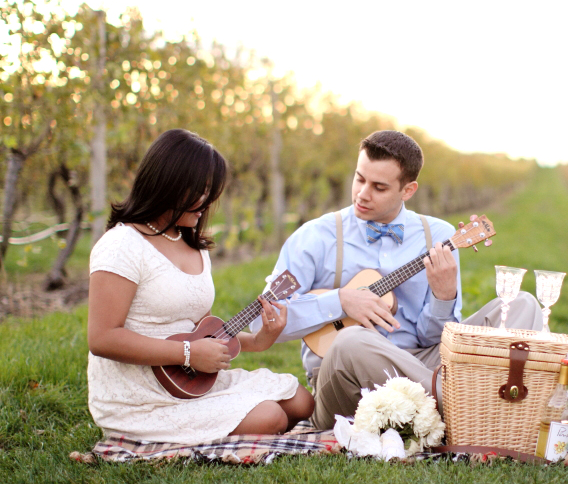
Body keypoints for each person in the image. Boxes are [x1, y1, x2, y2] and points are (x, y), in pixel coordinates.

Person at [251, 130, 543, 430]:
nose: (363, 194)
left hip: (423, 364)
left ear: (408, 190)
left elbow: (435, 341)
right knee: (350, 340)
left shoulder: (439, 237)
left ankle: (456, 407)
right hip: (346, 383)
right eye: (359, 178)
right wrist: (339, 301)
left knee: (523, 305)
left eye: (379, 187)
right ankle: (481, 411)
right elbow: (260, 324)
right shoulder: (314, 237)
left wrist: (444, 297)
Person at [87, 128, 313, 444]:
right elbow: (102, 338)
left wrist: (260, 340)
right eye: (198, 189)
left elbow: (202, 331)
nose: (206, 200)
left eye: (210, 190)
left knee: (303, 402)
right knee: (272, 417)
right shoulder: (122, 245)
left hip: (189, 379)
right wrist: (187, 353)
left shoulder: (194, 245)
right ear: (167, 183)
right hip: (141, 392)